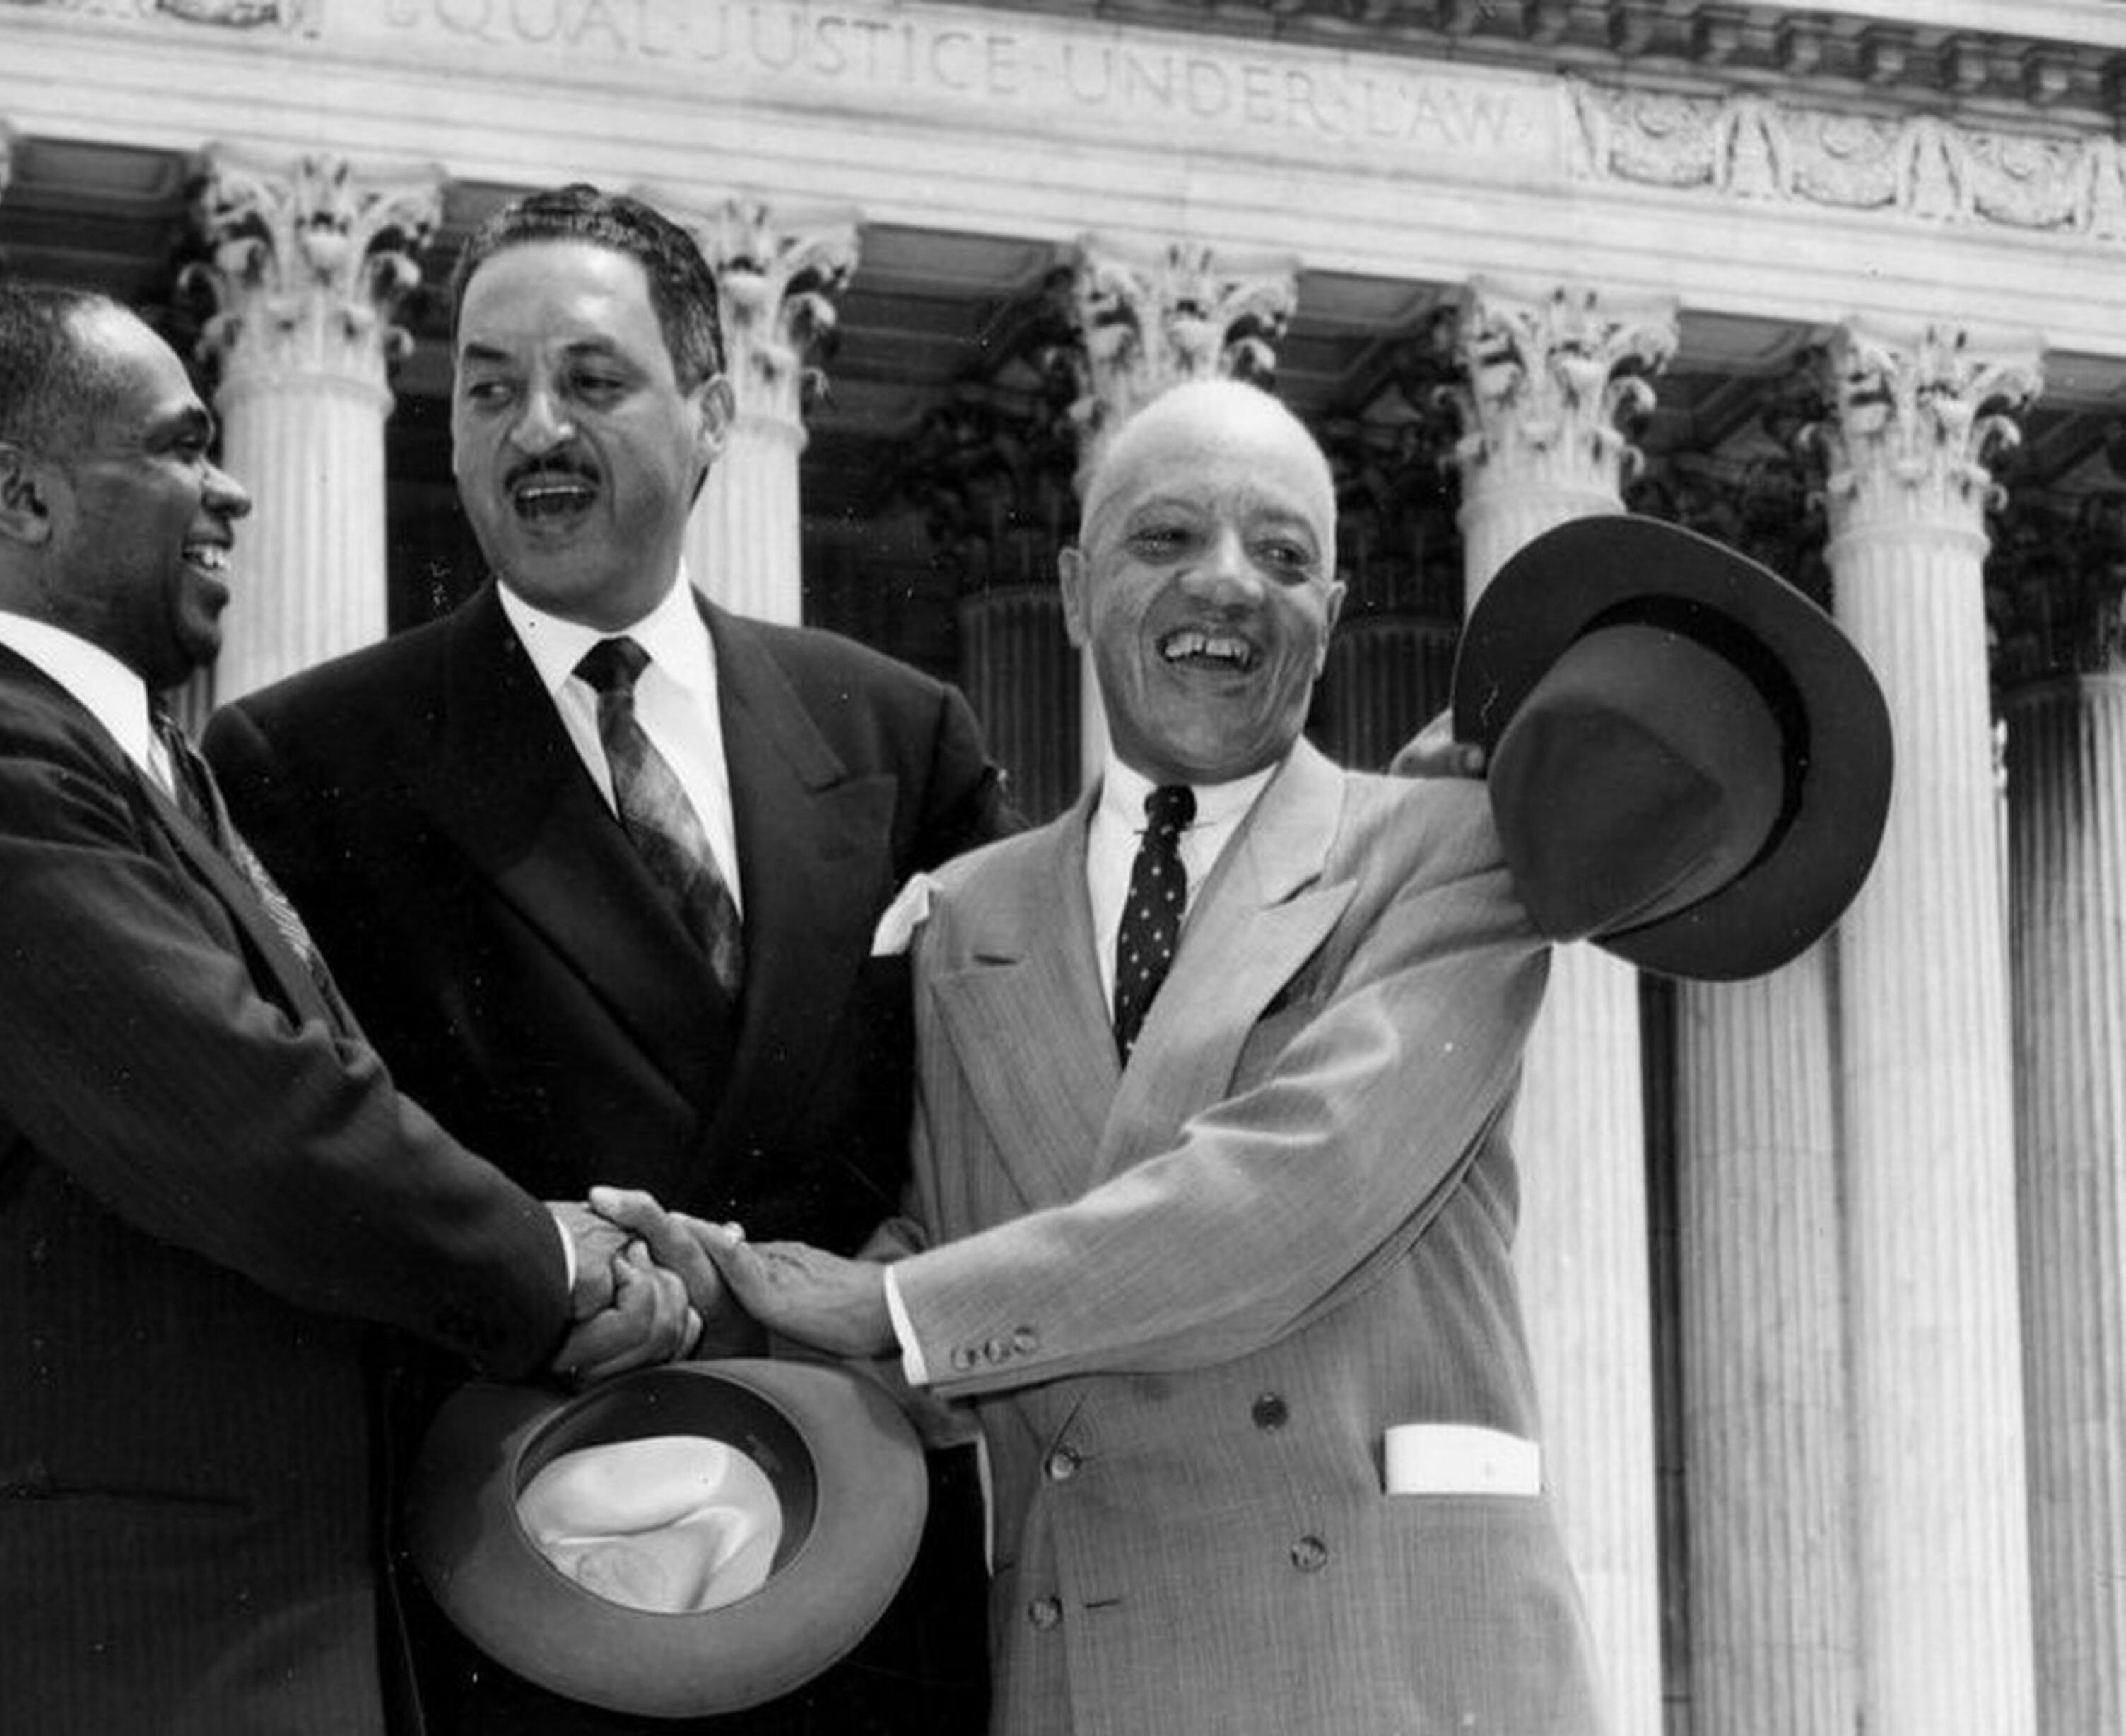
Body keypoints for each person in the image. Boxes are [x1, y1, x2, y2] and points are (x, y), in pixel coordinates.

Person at [0, 283, 686, 1736]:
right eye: (178, 447)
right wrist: (548, 1263)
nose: (234, 485)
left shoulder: (154, 773)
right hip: (69, 1653)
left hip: (206, 1629)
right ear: (24, 496)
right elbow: (253, 1121)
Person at [657, 377, 1609, 1734]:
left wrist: (899, 1308)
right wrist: (743, 1303)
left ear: (1332, 618)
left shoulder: (1452, 849)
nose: (1227, 587)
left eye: (1282, 558)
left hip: (1392, 1663)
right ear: (1072, 587)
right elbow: (959, 1266)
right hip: (1090, 1665)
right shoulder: (966, 916)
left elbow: (1302, 1193)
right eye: (1167, 540)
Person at [204, 185, 1006, 1735]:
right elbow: (296, 1177)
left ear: (712, 412)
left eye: (590, 380)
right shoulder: (308, 762)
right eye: (489, 389)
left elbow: (1015, 1100)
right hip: (510, 1589)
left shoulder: (901, 740)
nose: (533, 432)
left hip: (859, 1580)